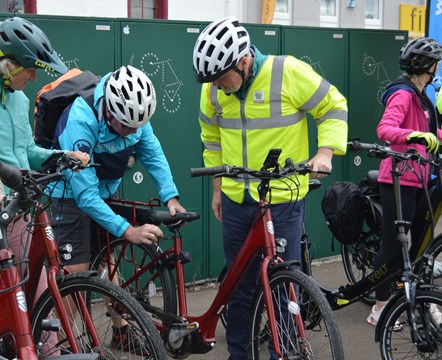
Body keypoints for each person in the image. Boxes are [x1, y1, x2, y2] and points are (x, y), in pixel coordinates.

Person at [192, 17, 348, 359]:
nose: (216, 86)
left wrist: (325, 152)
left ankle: (286, 352)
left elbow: (333, 104)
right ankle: (240, 354)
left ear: (243, 62)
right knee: (240, 287)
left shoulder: (287, 72)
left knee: (282, 286)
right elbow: (211, 140)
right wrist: (217, 190)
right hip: (237, 200)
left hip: (283, 199)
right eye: (212, 81)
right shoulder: (212, 90)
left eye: (221, 78)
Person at [0, 16, 89, 355]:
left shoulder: (20, 100)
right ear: (7, 65)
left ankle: (43, 351)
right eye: (29, 68)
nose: (34, 76)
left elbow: (27, 153)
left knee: (38, 293)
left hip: (19, 207)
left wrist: (62, 155)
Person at [47, 64, 185, 273]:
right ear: (110, 111)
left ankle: (116, 306)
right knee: (77, 273)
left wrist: (170, 197)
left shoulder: (134, 115)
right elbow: (85, 195)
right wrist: (128, 231)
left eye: (137, 127)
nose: (131, 133)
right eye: (126, 126)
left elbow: (152, 154)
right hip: (69, 194)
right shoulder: (81, 121)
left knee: (106, 263)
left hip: (106, 189)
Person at [367, 37, 442, 327]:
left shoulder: (423, 95)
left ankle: (421, 302)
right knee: (392, 246)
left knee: (422, 247)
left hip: (423, 177)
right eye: (435, 63)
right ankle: (380, 307)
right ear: (428, 66)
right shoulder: (403, 94)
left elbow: (430, 134)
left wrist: (429, 137)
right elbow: (385, 129)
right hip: (399, 178)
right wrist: (413, 136)